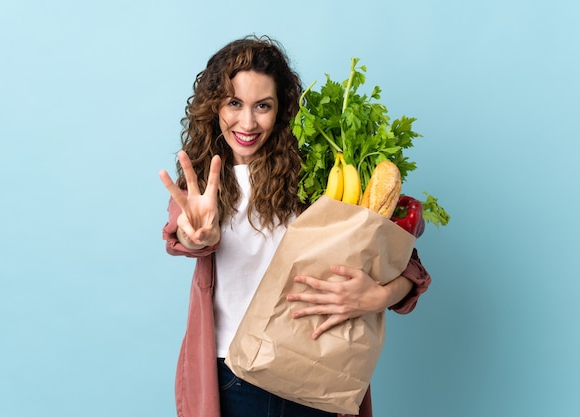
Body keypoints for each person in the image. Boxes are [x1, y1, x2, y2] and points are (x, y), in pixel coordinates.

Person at [159, 35, 431, 417]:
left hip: (317, 368)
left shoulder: (317, 178)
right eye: (234, 103)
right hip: (234, 377)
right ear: (213, 106)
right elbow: (185, 234)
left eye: (263, 106)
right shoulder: (202, 185)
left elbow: (408, 264)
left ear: (282, 109)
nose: (248, 122)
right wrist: (197, 234)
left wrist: (376, 297)